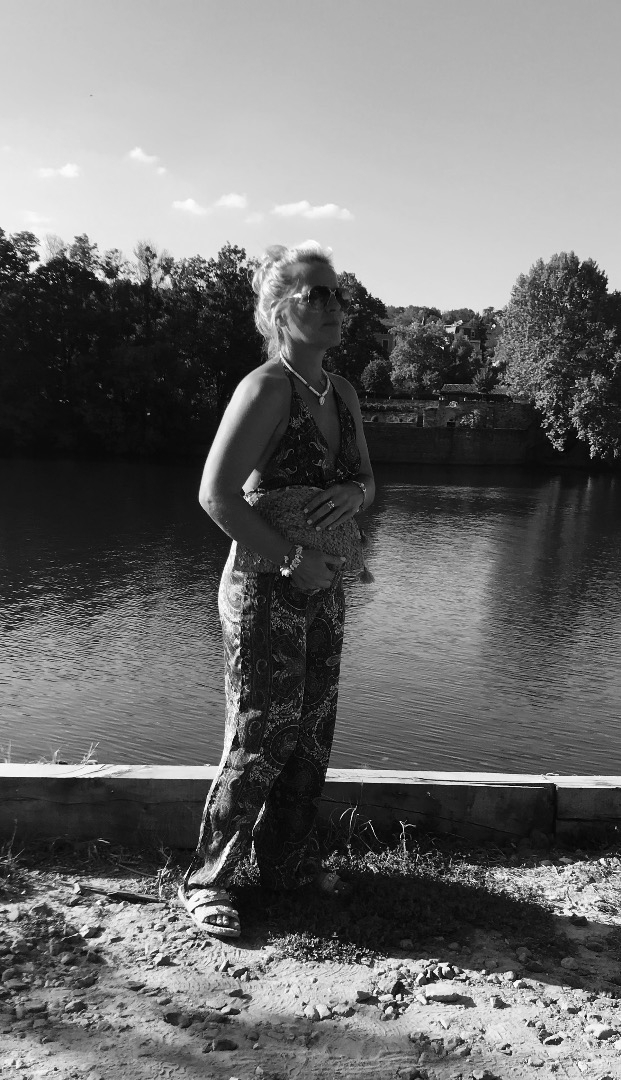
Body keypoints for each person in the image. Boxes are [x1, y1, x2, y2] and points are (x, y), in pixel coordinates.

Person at [178, 241, 375, 938]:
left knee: (312, 730)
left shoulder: (342, 392)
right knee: (262, 732)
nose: (333, 306)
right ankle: (209, 881)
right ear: (278, 309)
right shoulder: (266, 389)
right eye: (316, 294)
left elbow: (367, 481)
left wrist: (354, 493)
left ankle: (284, 864)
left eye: (337, 294)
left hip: (325, 585)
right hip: (267, 586)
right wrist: (293, 559)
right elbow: (216, 495)